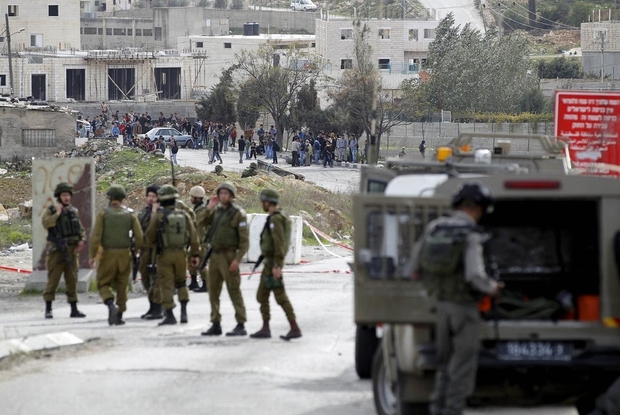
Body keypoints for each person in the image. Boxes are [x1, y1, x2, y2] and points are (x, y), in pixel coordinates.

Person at [413, 182, 503, 415]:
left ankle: (437, 409)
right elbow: (474, 275)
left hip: (440, 307)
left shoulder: (435, 228)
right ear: (476, 208)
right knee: (462, 367)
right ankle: (452, 410)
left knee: (444, 365)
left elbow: (414, 266)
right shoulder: (471, 235)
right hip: (464, 309)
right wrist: (492, 288)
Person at [197, 182, 249, 337]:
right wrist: (208, 208)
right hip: (215, 255)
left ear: (232, 196)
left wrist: (237, 259)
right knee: (213, 291)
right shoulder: (216, 211)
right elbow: (200, 222)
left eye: (226, 193)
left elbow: (244, 241)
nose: (223, 196)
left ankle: (240, 323)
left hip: (229, 255)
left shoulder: (238, 213)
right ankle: (215, 323)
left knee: (234, 290)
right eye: (221, 193)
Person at [250, 189, 302, 341]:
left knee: (280, 296)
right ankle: (266, 327)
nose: (262, 204)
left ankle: (294, 327)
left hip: (273, 264)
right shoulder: (280, 216)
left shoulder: (275, 219)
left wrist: (277, 266)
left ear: (268, 202)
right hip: (270, 263)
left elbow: (279, 243)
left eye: (263, 201)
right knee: (262, 295)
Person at [88, 185, 144, 326]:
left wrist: (92, 255)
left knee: (103, 282)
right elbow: (139, 237)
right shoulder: (130, 215)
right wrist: (136, 251)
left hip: (107, 254)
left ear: (110, 199)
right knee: (122, 285)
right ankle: (119, 315)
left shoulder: (104, 214)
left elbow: (95, 237)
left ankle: (110, 305)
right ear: (122, 199)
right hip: (125, 254)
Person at [146, 185, 201, 325]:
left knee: (166, 284)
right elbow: (194, 237)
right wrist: (195, 255)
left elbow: (149, 237)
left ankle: (170, 315)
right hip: (181, 254)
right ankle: (183, 312)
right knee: (182, 283)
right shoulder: (184, 215)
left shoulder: (158, 215)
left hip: (165, 255)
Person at [42, 182, 87, 319]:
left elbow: (81, 229)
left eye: (68, 195)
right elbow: (46, 223)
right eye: (64, 195)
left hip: (72, 251)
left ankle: (74, 309)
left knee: (72, 280)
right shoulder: (52, 210)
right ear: (59, 196)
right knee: (53, 280)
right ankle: (48, 309)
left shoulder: (74, 211)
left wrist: (82, 240)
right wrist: (58, 213)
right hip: (57, 252)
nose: (66, 198)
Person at [137, 185, 163, 320]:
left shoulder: (161, 213)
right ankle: (152, 305)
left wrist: (154, 213)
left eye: (154, 196)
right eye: (149, 196)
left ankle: (158, 307)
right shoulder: (144, 212)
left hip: (156, 251)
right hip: (144, 250)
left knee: (155, 280)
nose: (151, 199)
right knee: (145, 278)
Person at [188, 186, 208, 293]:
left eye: (192, 197)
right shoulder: (197, 209)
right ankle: (193, 282)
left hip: (200, 241)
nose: (190, 199)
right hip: (195, 240)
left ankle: (206, 284)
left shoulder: (201, 211)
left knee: (201, 262)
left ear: (196, 198)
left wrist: (199, 243)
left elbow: (200, 229)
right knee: (190, 260)